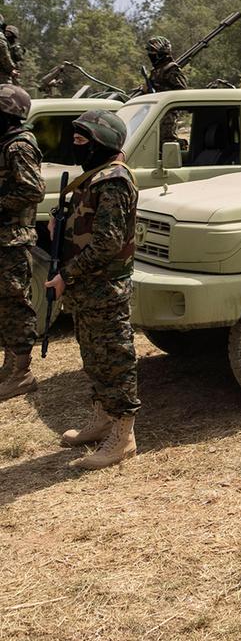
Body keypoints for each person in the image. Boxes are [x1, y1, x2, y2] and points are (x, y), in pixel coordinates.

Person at [51, 110, 140, 470]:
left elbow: (107, 243)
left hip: (105, 287)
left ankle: (124, 436)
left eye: (82, 141)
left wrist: (66, 275)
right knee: (94, 356)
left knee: (115, 359)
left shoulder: (113, 181)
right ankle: (103, 418)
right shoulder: (94, 178)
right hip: (90, 288)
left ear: (101, 142)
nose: (77, 148)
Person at [0, 85, 45, 401]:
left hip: (14, 239)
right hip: (4, 237)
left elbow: (33, 190)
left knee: (15, 303)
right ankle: (10, 366)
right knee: (4, 305)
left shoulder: (19, 147)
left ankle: (23, 373)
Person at [146, 36, 188, 146]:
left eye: (153, 53)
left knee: (168, 142)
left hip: (168, 113)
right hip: (156, 112)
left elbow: (182, 91)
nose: (151, 56)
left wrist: (161, 92)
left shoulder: (171, 69)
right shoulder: (156, 71)